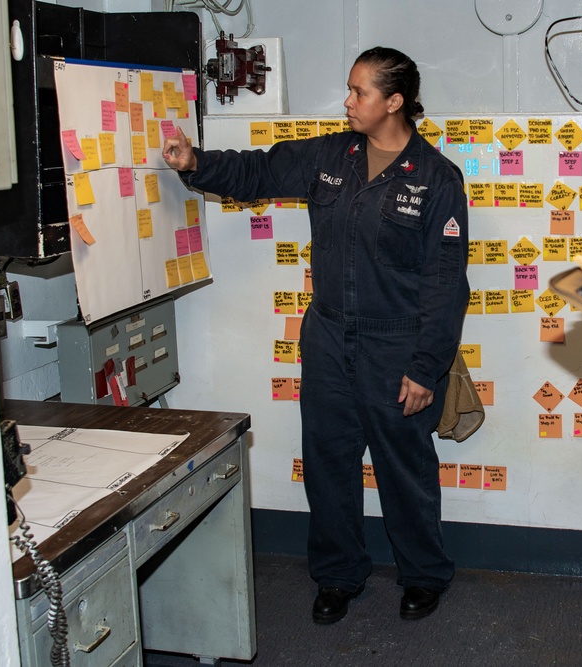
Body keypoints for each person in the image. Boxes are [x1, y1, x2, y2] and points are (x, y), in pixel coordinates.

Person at [162, 47, 470, 624]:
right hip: (328, 338)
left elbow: (446, 282)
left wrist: (427, 367)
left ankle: (423, 575)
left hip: (395, 345)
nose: (348, 102)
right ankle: (337, 576)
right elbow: (259, 171)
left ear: (395, 102)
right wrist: (194, 162)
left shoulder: (436, 179)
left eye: (360, 93)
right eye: (349, 91)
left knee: (405, 470)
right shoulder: (332, 155)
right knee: (328, 464)